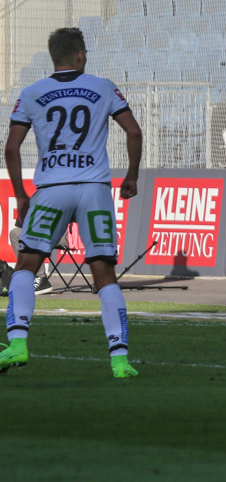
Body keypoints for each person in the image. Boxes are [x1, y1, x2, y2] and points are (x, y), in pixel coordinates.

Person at [1, 27, 143, 378]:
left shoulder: (33, 93)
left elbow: (12, 148)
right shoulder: (104, 87)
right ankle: (120, 361)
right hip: (94, 188)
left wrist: (21, 195)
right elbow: (135, 132)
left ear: (53, 57)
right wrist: (131, 177)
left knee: (26, 265)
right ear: (80, 56)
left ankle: (17, 343)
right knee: (104, 274)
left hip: (52, 188)